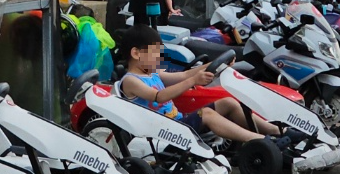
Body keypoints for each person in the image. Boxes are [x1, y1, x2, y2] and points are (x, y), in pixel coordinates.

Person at [117, 25, 284, 143]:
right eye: (155, 53)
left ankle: (276, 131)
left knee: (228, 102)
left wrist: (217, 64)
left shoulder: (153, 74)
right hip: (164, 132)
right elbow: (158, 97)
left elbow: (184, 75)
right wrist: (193, 81)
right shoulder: (131, 81)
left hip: (176, 123)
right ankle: (259, 140)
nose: (159, 58)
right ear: (136, 53)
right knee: (206, 114)